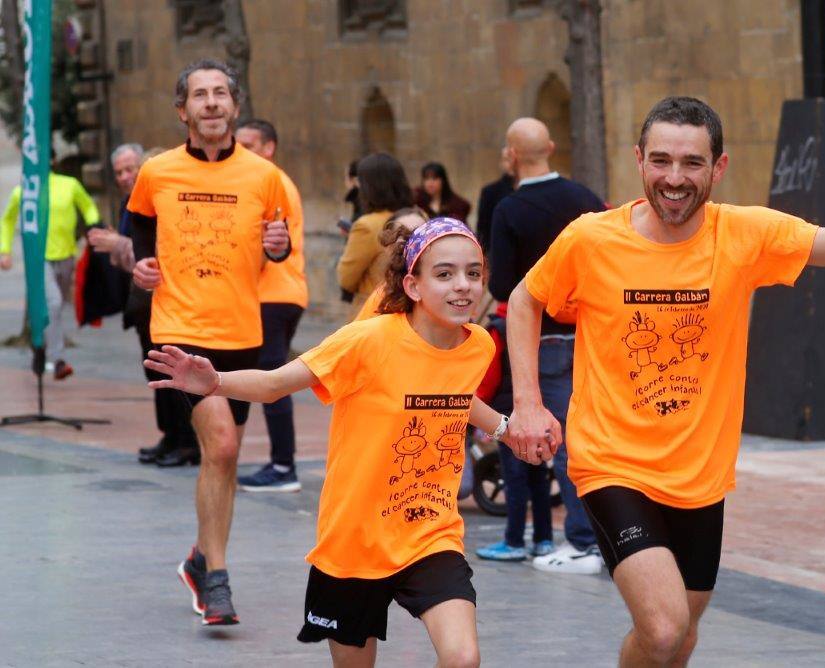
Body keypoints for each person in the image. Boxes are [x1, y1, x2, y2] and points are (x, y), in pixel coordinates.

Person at [505, 96, 825, 665]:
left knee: (679, 638)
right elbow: (525, 299)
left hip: (700, 474)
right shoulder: (591, 238)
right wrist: (527, 403)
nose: (675, 178)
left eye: (692, 163)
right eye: (662, 160)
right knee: (665, 627)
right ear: (639, 159)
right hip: (611, 461)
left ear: (718, 167)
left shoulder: (744, 234)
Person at [145, 218, 536, 666]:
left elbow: (455, 394)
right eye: (444, 274)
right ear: (412, 284)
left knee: (463, 658)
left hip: (430, 533)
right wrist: (215, 382)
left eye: (473, 273)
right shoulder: (366, 341)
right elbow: (274, 384)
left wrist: (507, 430)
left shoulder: (478, 345)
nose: (463, 286)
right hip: (353, 543)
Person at [128, 59, 292, 625]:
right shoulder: (157, 172)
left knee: (223, 458)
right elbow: (138, 230)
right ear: (183, 111)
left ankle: (201, 560)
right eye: (201, 95)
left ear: (235, 106)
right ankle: (218, 578)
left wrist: (278, 244)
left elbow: (276, 248)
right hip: (179, 327)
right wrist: (142, 267)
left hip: (242, 332)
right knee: (220, 445)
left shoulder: (263, 176)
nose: (212, 103)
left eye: (221, 93)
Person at [481, 117, 605, 572]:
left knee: (563, 443)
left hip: (545, 339)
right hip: (594, 336)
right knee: (596, 438)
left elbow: (504, 287)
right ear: (551, 146)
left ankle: (582, 540)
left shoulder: (509, 210)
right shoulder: (585, 199)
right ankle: (605, 536)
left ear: (512, 155)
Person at [87, 143, 201, 466]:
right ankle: (171, 435)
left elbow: (154, 251)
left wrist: (117, 244)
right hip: (142, 303)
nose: (125, 177)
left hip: (165, 301)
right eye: (120, 172)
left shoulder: (165, 199)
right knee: (154, 370)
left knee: (172, 371)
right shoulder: (131, 202)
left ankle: (188, 440)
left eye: (131, 169)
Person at [234, 119, 309, 492]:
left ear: (269, 147)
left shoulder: (270, 180)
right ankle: (280, 464)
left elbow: (268, 244)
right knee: (268, 376)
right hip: (274, 293)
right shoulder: (264, 179)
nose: (241, 150)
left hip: (274, 294)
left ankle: (283, 467)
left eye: (249, 144)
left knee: (271, 379)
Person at [1, 163, 102, 379]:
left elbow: (88, 206)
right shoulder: (24, 191)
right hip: (39, 260)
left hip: (66, 256)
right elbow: (7, 220)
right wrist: (4, 250)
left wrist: (94, 226)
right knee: (54, 302)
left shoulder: (69, 185)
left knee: (56, 307)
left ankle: (40, 345)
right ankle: (58, 360)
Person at [337, 152, 413, 321]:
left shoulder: (367, 225)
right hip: (412, 313)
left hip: (375, 313)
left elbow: (346, 278)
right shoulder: (419, 216)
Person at [352, 206, 429, 322]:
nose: (412, 242)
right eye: (402, 235)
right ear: (388, 247)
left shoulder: (444, 288)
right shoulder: (380, 298)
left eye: (419, 234)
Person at [474, 149, 515, 253]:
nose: (510, 163)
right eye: (506, 159)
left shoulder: (533, 191)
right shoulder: (490, 191)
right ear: (501, 163)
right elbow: (483, 228)